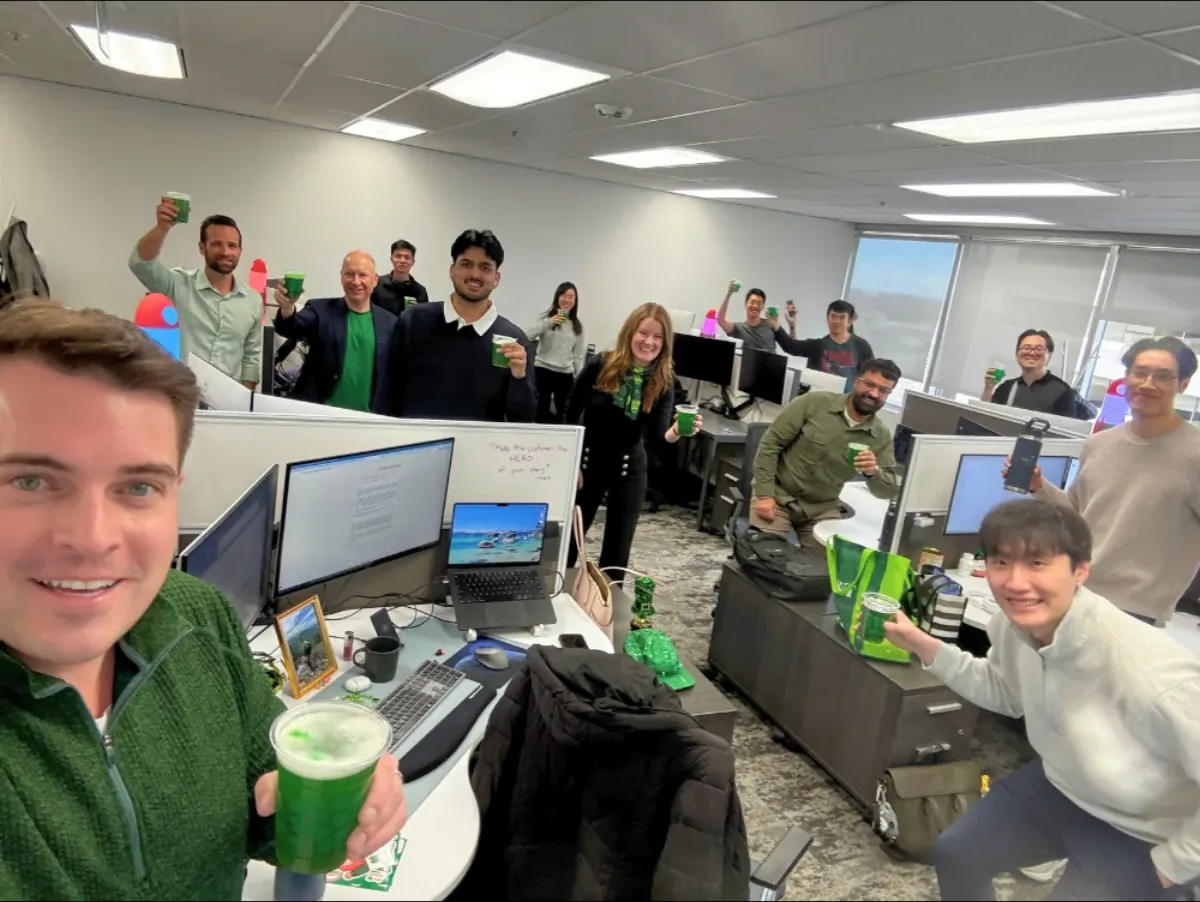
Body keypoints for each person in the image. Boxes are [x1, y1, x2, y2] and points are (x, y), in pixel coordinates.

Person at [0, 300, 406, 900]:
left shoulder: (195, 614)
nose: (92, 538)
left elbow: (266, 804)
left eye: (139, 487)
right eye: (30, 481)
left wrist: (345, 800)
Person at [884, 499, 1200, 902]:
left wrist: (1174, 865)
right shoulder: (1013, 626)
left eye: (1037, 563)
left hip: (1143, 829)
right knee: (958, 852)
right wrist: (924, 647)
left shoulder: (1150, 672)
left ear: (1080, 570)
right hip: (1064, 786)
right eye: (1001, 562)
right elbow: (1004, 691)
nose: (1015, 583)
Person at [1019, 336, 1200, 625]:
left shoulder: (1195, 454)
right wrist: (1039, 487)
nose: (1148, 384)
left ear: (1183, 384)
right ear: (1126, 378)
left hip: (1134, 612)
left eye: (1163, 376)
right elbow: (1077, 513)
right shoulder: (1099, 444)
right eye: (1139, 373)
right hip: (1074, 591)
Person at [566, 303, 697, 575]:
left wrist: (677, 431)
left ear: (665, 343)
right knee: (568, 544)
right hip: (588, 464)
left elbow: (658, 439)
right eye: (643, 333)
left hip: (630, 469)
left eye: (657, 337)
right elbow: (570, 413)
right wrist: (572, 462)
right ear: (630, 333)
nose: (649, 342)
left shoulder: (663, 381)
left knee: (616, 555)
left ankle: (607, 600)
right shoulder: (601, 365)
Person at [376, 229, 535, 422]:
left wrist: (519, 378)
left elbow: (523, 419)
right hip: (415, 439)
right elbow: (386, 392)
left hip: (479, 441)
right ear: (452, 271)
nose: (474, 274)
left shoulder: (513, 341)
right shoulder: (413, 321)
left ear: (496, 279)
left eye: (485, 267)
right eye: (466, 264)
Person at [751, 358, 901, 548]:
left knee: (832, 561)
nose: (874, 394)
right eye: (869, 384)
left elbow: (887, 490)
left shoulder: (880, 435)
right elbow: (771, 444)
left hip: (821, 508)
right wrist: (764, 494)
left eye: (884, 390)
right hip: (779, 495)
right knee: (767, 554)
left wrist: (873, 471)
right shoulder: (814, 403)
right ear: (857, 382)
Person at [129, 197, 262, 388]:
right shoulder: (178, 284)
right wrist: (162, 228)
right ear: (202, 247)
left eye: (232, 246)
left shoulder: (252, 300)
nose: (225, 252)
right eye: (217, 244)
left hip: (226, 398)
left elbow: (250, 359)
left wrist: (245, 400)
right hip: (181, 393)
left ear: (240, 251)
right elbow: (140, 264)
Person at [272, 250, 396, 412]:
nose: (356, 281)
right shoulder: (320, 310)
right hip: (321, 413)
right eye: (349, 274)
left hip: (368, 418)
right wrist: (287, 307)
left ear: (375, 280)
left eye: (363, 275)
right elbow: (290, 327)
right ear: (341, 277)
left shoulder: (390, 323)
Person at [983, 329, 1092, 419]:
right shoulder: (1007, 387)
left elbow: (1063, 432)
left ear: (1049, 355)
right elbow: (985, 418)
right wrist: (989, 388)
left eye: (1038, 349)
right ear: (1017, 354)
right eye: (1026, 348)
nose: (1031, 352)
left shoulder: (1062, 391)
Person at [527, 281, 586, 424]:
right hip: (542, 370)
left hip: (565, 374)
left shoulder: (577, 326)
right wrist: (550, 321)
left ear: (575, 300)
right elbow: (527, 336)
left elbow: (578, 356)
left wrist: (580, 377)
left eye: (571, 296)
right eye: (564, 295)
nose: (567, 300)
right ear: (557, 297)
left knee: (563, 415)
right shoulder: (545, 318)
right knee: (540, 412)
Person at [773, 299, 874, 380]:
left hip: (846, 398)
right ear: (827, 318)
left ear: (849, 321)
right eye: (833, 316)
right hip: (819, 397)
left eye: (842, 317)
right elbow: (791, 346)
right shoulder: (817, 345)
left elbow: (871, 374)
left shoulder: (861, 346)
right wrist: (778, 326)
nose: (836, 321)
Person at [370, 238, 428, 316]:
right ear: (391, 259)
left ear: (413, 262)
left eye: (407, 257)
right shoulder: (377, 284)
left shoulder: (420, 291)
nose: (402, 260)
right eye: (398, 256)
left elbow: (424, 318)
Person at [716, 282, 776, 351]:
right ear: (745, 304)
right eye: (752, 302)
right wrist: (728, 294)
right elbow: (720, 320)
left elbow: (786, 343)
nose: (755, 306)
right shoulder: (740, 329)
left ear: (763, 307)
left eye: (759, 303)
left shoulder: (770, 325)